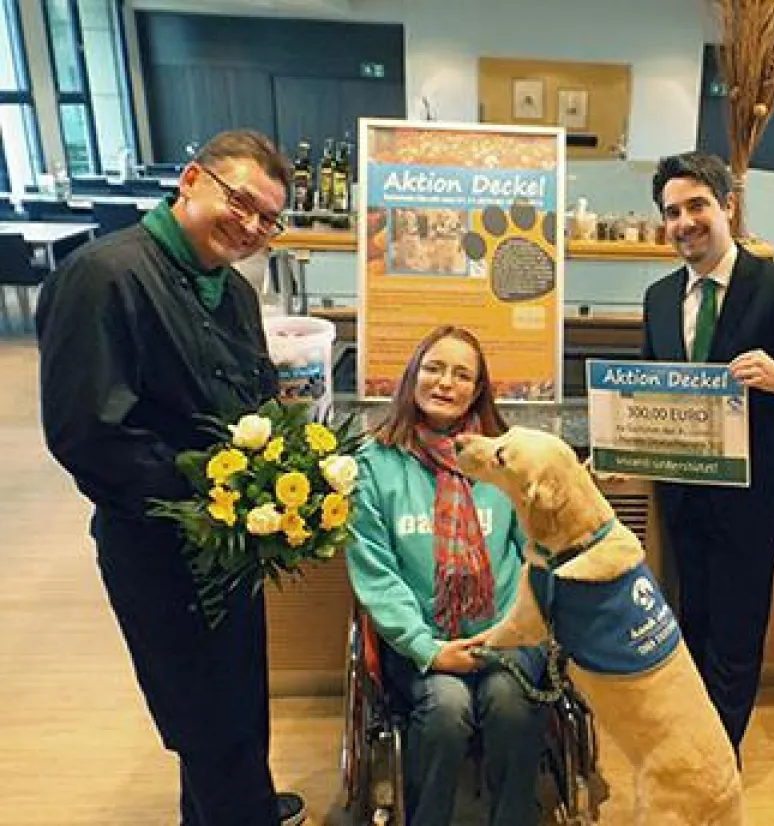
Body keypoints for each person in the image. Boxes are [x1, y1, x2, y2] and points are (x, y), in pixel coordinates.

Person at [37, 130, 307, 826]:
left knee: (238, 699)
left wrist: (281, 475)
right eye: (240, 202)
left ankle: (237, 801)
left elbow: (255, 404)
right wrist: (210, 499)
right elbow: (87, 433)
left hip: (233, 546)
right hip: (158, 544)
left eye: (267, 219)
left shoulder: (234, 293)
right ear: (191, 180)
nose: (250, 226)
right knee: (201, 713)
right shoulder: (104, 276)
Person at [640, 152, 774, 760]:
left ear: (727, 206)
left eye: (697, 206)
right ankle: (690, 745)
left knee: (735, 641)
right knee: (690, 629)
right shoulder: (658, 298)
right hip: (684, 501)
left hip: (753, 507)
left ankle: (717, 762)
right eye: (672, 212)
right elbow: (650, 391)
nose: (684, 222)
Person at [347, 325, 546, 826]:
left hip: (506, 634)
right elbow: (375, 572)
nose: (445, 383)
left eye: (461, 375)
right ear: (412, 375)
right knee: (445, 708)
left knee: (510, 701)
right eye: (434, 368)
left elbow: (536, 552)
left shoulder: (506, 461)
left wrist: (514, 631)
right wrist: (427, 648)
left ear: (477, 390)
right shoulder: (374, 464)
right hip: (421, 639)